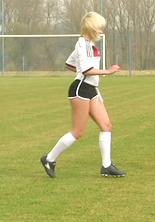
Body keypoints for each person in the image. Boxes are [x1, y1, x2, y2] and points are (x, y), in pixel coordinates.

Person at [40, 12, 125, 178]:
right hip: (81, 89)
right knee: (77, 132)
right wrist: (107, 71)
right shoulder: (83, 44)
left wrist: (89, 72)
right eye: (99, 27)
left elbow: (70, 64)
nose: (101, 31)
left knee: (106, 126)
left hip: (91, 89)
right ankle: (49, 159)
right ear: (92, 28)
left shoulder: (89, 44)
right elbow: (85, 70)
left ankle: (106, 166)